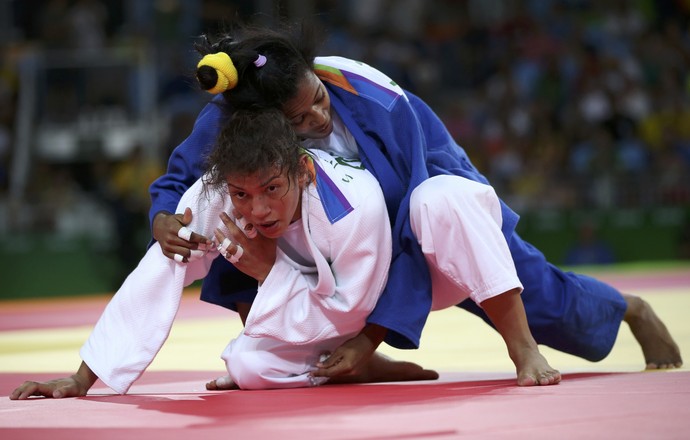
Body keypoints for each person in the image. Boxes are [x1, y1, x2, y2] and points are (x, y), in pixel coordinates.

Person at [150, 23, 681, 381]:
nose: (316, 117)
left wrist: (372, 332)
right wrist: (164, 217)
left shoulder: (376, 99)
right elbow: (185, 173)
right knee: (242, 237)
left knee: (541, 298)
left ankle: (626, 311)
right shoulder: (235, 114)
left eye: (318, 97)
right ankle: (359, 363)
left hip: (434, 224)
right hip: (339, 250)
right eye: (297, 118)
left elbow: (413, 216)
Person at [10, 109, 431, 398]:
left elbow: (350, 309)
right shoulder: (214, 193)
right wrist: (83, 378)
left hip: (378, 293)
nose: (258, 209)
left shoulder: (354, 206)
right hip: (306, 303)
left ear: (302, 171)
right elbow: (158, 274)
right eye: (241, 194)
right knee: (249, 368)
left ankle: (364, 360)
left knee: (285, 344)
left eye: (271, 189)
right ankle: (354, 368)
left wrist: (270, 270)